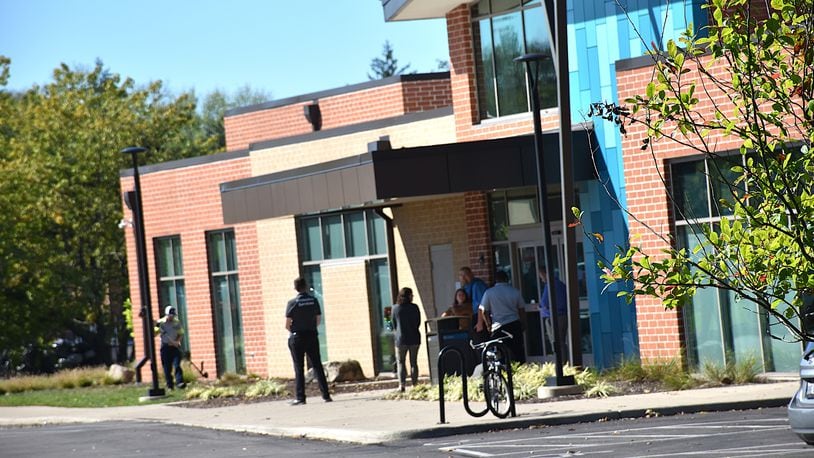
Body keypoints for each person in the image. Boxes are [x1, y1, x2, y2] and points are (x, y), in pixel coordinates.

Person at [286, 277, 332, 405]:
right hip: (311, 335)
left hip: (297, 337)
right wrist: (310, 327)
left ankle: (300, 397)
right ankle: (326, 395)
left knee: (299, 367)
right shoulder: (314, 300)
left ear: (295, 288)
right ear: (306, 286)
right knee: (317, 365)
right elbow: (318, 319)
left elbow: (287, 323)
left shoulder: (292, 303)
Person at [478, 270, 527, 364]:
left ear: (496, 280)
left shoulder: (489, 293)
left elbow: (484, 311)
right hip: (514, 325)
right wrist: (523, 324)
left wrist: (489, 325)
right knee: (518, 351)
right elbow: (521, 310)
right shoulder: (515, 291)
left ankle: (503, 371)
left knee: (499, 353)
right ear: (507, 279)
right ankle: (521, 370)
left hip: (498, 327)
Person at [391, 287, 421, 392]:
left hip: (401, 339)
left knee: (401, 362)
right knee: (413, 362)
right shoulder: (414, 307)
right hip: (414, 338)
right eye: (411, 295)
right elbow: (418, 322)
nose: (412, 297)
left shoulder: (395, 308)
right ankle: (415, 385)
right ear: (408, 296)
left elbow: (393, 325)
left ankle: (402, 385)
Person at [539, 266, 568, 356]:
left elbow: (545, 303)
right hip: (562, 315)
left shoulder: (550, 285)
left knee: (556, 343)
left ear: (546, 274)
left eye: (541, 276)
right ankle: (564, 362)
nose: (541, 279)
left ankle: (561, 363)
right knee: (561, 342)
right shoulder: (560, 284)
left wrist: (540, 307)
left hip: (554, 317)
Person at [155, 306, 185, 390]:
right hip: (165, 347)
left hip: (175, 347)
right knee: (167, 368)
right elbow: (154, 334)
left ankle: (180, 382)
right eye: (170, 315)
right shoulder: (161, 323)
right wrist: (158, 329)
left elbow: (181, 333)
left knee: (177, 364)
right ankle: (170, 385)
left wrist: (177, 341)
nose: (172, 317)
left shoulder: (176, 322)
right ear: (167, 314)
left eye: (173, 315)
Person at [460, 267, 488, 339]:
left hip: (479, 317)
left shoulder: (477, 285)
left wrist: (480, 322)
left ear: (471, 274)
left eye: (465, 275)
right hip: (470, 318)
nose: (463, 278)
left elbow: (481, 305)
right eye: (461, 275)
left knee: (480, 341)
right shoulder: (465, 287)